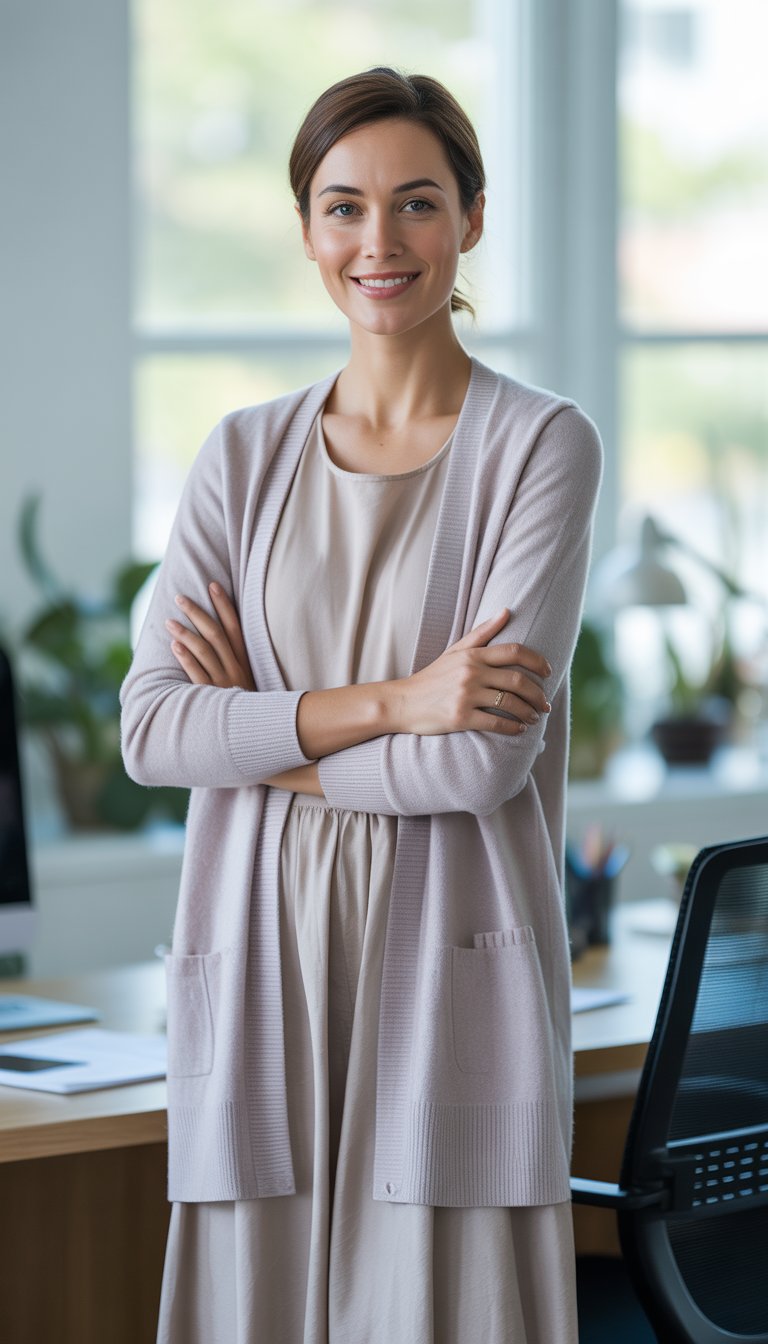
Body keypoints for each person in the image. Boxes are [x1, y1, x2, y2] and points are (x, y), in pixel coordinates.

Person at [120, 66, 603, 1344]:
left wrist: (256, 737)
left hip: (447, 969)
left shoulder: (540, 446)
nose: (377, 243)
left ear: (474, 219)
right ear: (306, 230)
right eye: (343, 207)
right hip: (259, 961)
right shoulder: (239, 454)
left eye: (417, 203)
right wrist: (401, 698)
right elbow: (152, 727)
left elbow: (475, 773)